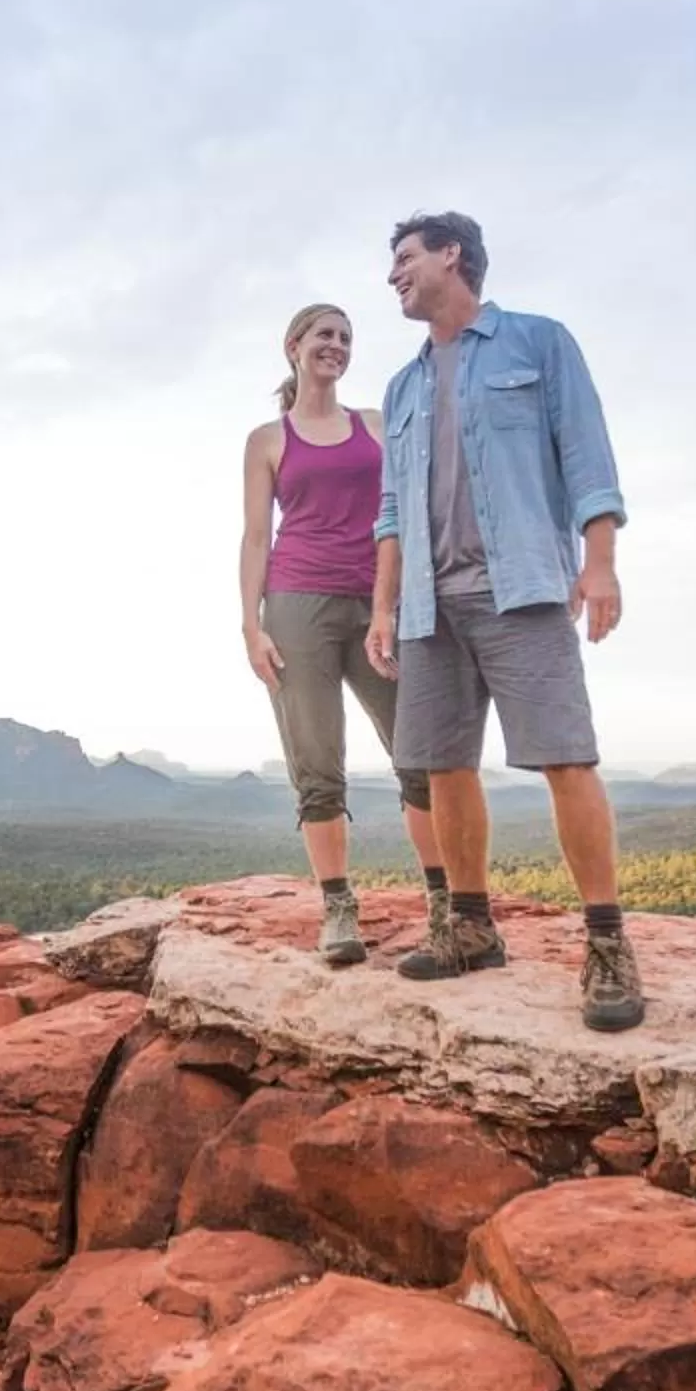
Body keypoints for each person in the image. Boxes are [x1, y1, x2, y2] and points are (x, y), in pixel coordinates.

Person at [364, 213, 643, 1031]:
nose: (393, 277)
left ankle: (607, 946)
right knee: (444, 765)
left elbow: (588, 460)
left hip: (520, 587)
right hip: (427, 604)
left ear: (453, 255)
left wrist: (599, 565)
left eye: (405, 260)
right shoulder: (403, 386)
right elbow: (389, 513)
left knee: (565, 757)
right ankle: (471, 928)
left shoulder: (539, 343)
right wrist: (383, 607)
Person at [240, 302, 450, 967]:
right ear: (293, 345)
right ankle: (337, 908)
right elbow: (254, 537)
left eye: (346, 338)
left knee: (419, 752)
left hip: (379, 600)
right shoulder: (267, 440)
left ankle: (446, 904)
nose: (337, 345)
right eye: (325, 335)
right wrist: (250, 624)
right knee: (316, 761)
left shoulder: (377, 426)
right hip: (296, 603)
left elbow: (417, 503)